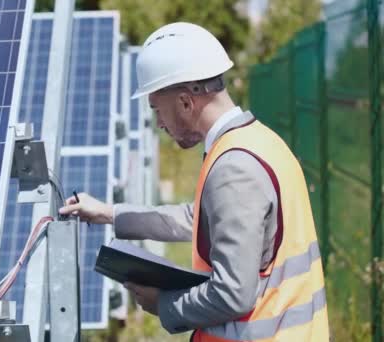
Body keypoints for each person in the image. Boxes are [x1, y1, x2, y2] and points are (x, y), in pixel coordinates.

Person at [59, 22, 329, 341]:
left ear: (186, 102)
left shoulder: (234, 168)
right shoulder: (259, 141)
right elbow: (198, 218)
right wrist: (109, 213)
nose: (158, 123)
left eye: (157, 110)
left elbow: (233, 294)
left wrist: (164, 305)